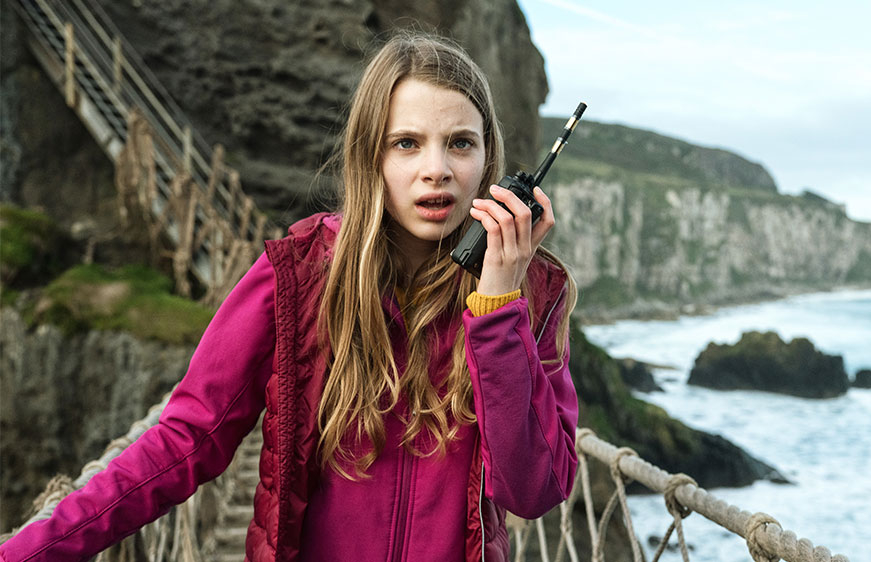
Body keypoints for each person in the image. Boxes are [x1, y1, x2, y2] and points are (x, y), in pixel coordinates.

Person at [0, 32, 578, 562]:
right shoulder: (295, 276)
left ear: (488, 162)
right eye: (406, 143)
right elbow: (185, 438)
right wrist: (29, 552)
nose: (437, 169)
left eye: (460, 143)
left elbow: (532, 493)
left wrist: (498, 305)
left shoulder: (533, 295)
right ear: (369, 156)